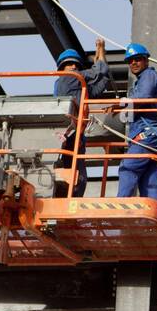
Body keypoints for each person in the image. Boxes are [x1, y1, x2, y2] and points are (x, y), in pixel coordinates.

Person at [51, 39, 110, 196]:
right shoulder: (67, 78)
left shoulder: (77, 87)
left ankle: (68, 199)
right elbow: (99, 71)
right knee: (76, 175)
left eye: (76, 64)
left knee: (77, 174)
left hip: (74, 133)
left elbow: (100, 85)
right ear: (62, 68)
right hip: (69, 133)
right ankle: (69, 200)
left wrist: (98, 54)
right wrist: (101, 49)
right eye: (70, 64)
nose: (74, 67)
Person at [117, 42, 157, 199]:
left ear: (146, 60)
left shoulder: (149, 75)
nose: (133, 63)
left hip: (147, 135)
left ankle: (120, 206)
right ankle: (151, 218)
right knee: (150, 180)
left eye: (138, 59)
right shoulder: (139, 83)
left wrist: (119, 103)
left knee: (128, 168)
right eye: (130, 60)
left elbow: (144, 98)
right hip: (153, 138)